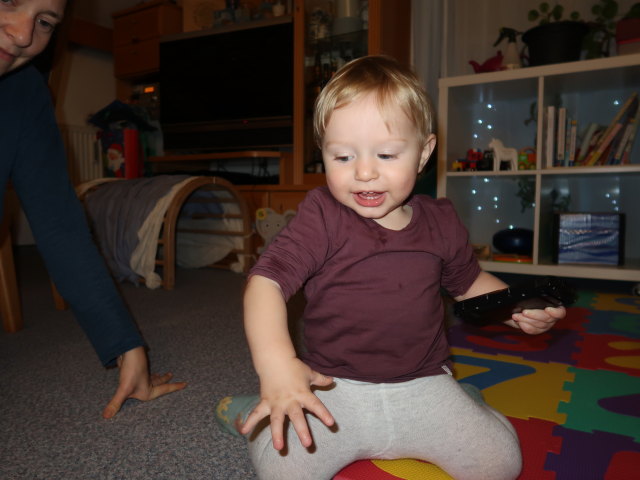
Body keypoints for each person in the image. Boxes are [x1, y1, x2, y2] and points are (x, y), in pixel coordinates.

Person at [215, 55, 567, 480]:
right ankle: (257, 404)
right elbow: (265, 282)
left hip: (423, 385)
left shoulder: (440, 221)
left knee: (501, 464)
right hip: (333, 388)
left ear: (423, 154)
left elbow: (469, 283)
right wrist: (275, 366)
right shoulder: (321, 215)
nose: (364, 171)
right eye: (342, 156)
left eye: (385, 153)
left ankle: (462, 398)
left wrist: (515, 308)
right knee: (282, 470)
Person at [1, 0, 186, 418]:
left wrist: (126, 345)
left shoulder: (26, 92)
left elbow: (61, 228)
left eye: (44, 21)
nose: (23, 34)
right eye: (10, 0)